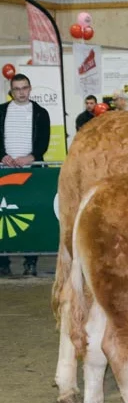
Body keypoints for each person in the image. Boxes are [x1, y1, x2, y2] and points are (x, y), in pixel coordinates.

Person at [0, 74, 51, 276]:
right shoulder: (1, 111)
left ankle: (31, 261)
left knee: (32, 217)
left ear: (30, 89)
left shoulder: (41, 113)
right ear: (11, 91)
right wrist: (3, 156)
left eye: (24, 88)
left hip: (32, 172)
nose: (21, 92)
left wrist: (30, 157)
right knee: (2, 218)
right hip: (3, 171)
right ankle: (3, 261)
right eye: (17, 89)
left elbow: (43, 142)